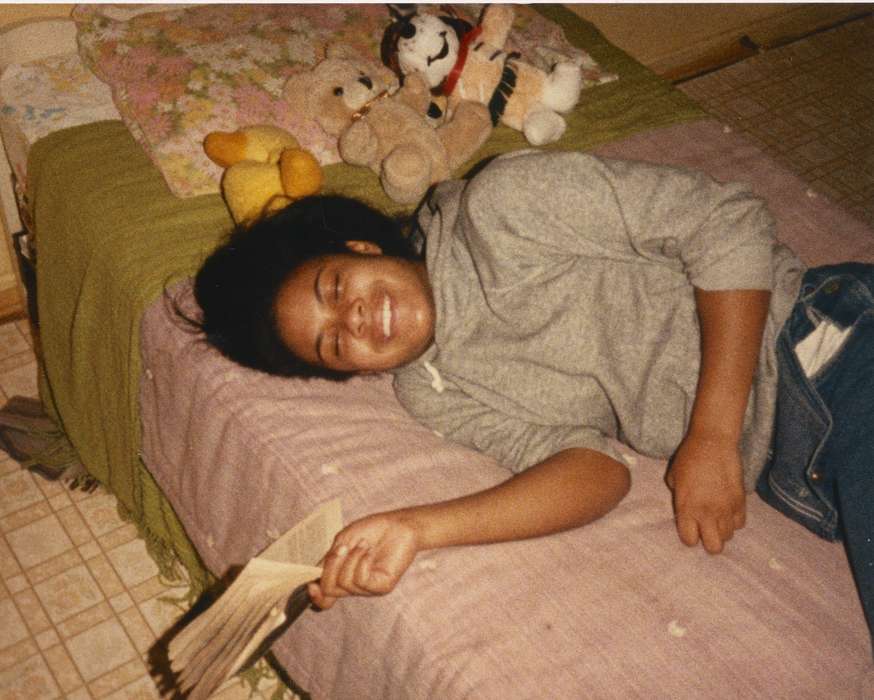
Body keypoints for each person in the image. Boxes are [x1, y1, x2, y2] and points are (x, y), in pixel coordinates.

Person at [193, 150, 873, 651]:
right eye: (335, 346)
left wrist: (715, 434)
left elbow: (728, 223)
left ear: (362, 245)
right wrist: (416, 528)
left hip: (827, 346)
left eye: (337, 289)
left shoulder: (503, 206)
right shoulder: (433, 392)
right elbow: (595, 471)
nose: (357, 322)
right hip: (806, 474)